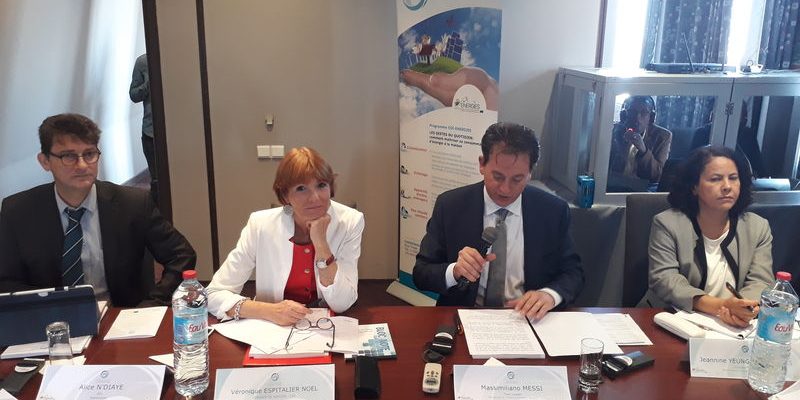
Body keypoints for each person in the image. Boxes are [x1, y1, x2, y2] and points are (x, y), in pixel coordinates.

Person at [0, 113, 196, 307]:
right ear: (45, 161)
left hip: (120, 316)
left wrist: (153, 304)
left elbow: (181, 255)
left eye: (89, 154)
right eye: (69, 156)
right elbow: (6, 280)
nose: (82, 165)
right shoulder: (18, 212)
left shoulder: (133, 203)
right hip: (51, 319)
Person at [412, 122, 584, 320]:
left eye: (517, 179)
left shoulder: (552, 211)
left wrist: (549, 295)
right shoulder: (450, 205)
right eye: (498, 176)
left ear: (530, 173)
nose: (505, 189)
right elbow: (421, 274)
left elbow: (573, 273)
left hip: (528, 319)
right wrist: (455, 271)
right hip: (466, 317)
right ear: (481, 164)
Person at [206, 147, 365, 326]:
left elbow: (342, 303)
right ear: (285, 195)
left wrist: (321, 243)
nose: (315, 198)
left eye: (321, 185)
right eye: (301, 188)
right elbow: (213, 294)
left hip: (326, 326)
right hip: (272, 327)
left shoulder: (350, 221)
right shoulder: (260, 224)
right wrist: (269, 311)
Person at [645, 146, 774, 328]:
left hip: (731, 325)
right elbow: (666, 280)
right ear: (694, 187)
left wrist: (742, 309)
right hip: (672, 319)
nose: (727, 186)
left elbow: (761, 281)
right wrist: (722, 306)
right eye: (715, 179)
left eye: (733, 178)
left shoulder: (757, 227)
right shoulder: (668, 223)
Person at [609, 96, 672, 184]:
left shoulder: (663, 136)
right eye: (632, 112)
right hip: (614, 184)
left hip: (643, 188)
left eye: (644, 113)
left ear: (651, 117)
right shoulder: (613, 131)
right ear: (624, 115)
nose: (637, 118)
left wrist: (643, 150)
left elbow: (657, 175)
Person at [129, 53, 157, 202]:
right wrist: (149, 83)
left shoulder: (180, 58)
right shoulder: (143, 61)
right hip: (151, 132)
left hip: (180, 132)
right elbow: (134, 95)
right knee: (157, 181)